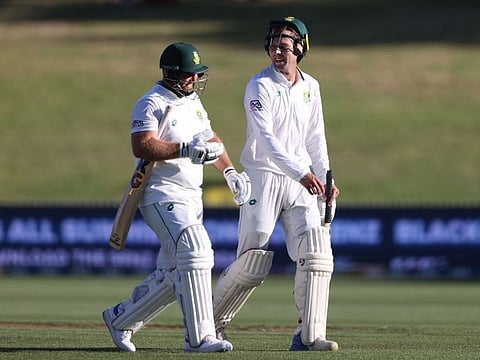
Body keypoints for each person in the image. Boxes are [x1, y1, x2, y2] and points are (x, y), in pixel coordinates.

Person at [102, 42, 251, 353]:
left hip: (191, 195)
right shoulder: (151, 103)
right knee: (196, 249)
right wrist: (182, 149)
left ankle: (120, 319)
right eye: (189, 75)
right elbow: (142, 145)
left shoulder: (193, 101)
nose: (194, 80)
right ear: (170, 74)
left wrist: (229, 172)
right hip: (159, 194)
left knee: (175, 273)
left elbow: (210, 138)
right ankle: (199, 338)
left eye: (196, 75)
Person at [212, 16, 340, 352]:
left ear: (300, 48)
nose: (277, 51)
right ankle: (209, 326)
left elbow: (316, 138)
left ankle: (309, 336)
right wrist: (300, 171)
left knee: (315, 251)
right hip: (263, 175)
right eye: (273, 45)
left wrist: (326, 177)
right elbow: (267, 140)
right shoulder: (259, 85)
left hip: (303, 180)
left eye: (284, 45)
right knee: (252, 259)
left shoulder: (311, 87)